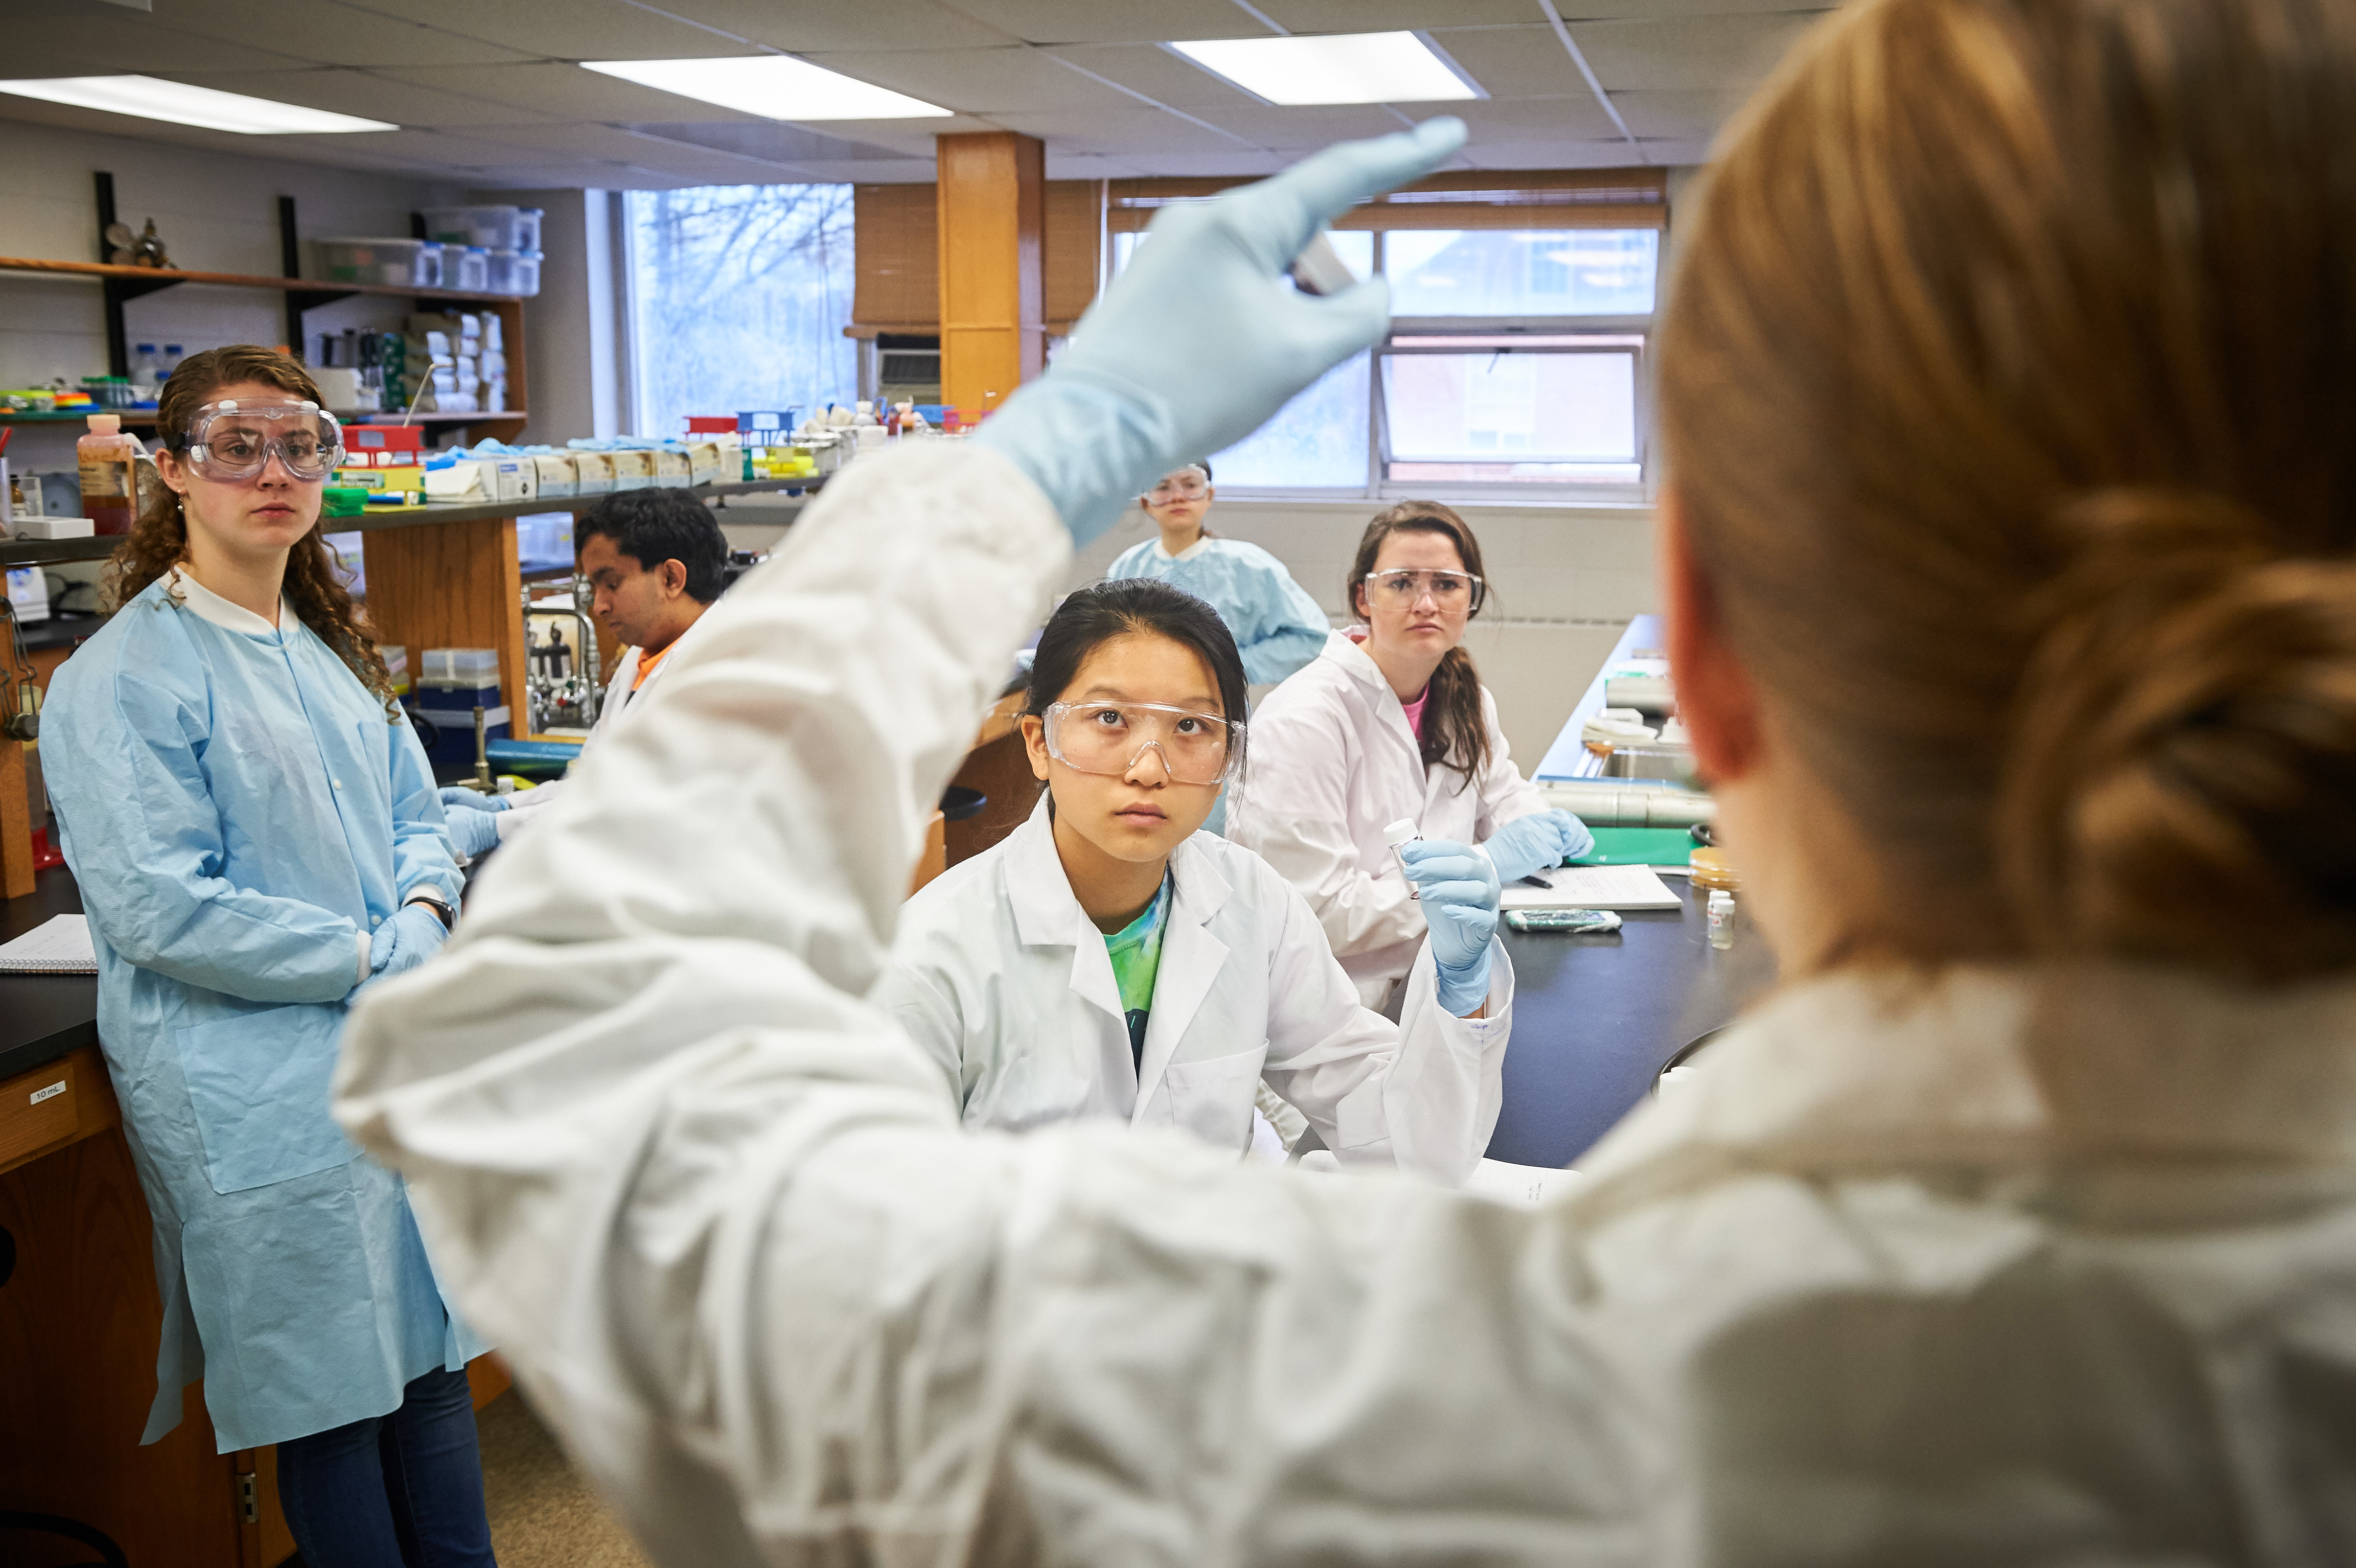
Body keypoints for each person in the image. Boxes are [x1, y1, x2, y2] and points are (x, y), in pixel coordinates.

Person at [342, 6, 2353, 1545]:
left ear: (1710, 674)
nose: (1151, 758)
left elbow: (547, 1051)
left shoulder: (1470, 1401)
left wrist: (1034, 458)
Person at [42, 346, 496, 1567]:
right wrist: (369, 947)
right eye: (237, 444)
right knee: (333, 1400)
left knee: (433, 1368)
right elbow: (159, 908)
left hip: (383, 1049)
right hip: (259, 1087)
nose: (274, 471)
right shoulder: (122, 674)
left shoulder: (324, 645)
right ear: (172, 470)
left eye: (301, 444)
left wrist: (418, 900)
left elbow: (420, 811)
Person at [876, 576, 1510, 1180]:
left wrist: (1461, 990)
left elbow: (1406, 1146)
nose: (1149, 769)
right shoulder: (930, 957)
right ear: (1040, 744)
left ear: (1228, 755)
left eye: (1189, 727)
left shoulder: (1251, 904)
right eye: (1109, 719)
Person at [1229, 501, 1592, 1008]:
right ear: (1364, 597)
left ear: (1472, 598)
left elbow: (1500, 796)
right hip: (1327, 1010)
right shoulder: (1303, 719)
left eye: (1446, 584)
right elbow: (1318, 908)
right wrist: (1481, 866)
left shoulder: (1464, 700)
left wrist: (1538, 829)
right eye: (1401, 583)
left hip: (1435, 982)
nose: (1426, 603)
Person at [439, 485, 727, 857]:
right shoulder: (642, 656)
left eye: (611, 584)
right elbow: (595, 782)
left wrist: (495, 829)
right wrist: (508, 806)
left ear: (671, 578)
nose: (599, 606)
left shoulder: (718, 675)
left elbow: (627, 807)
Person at [1103, 461, 1330, 690]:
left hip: (1220, 706)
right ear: (1145, 502)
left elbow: (1313, 640)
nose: (1178, 496)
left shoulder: (1251, 567)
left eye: (1190, 485)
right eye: (1162, 487)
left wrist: (1229, 667)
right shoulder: (1127, 567)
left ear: (1209, 495)